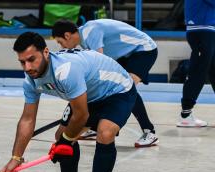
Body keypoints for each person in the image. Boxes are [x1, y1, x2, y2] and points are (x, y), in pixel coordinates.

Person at [0, 32, 137, 172]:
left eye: (31, 60)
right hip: (89, 94)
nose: (28, 67)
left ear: (46, 52)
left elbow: (81, 115)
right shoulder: (30, 80)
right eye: (22, 62)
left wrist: (65, 141)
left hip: (117, 90)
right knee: (60, 136)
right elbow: (27, 119)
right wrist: (16, 157)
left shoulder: (66, 70)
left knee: (105, 133)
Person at [52, 19, 158, 148]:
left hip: (143, 50)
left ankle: (149, 132)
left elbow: (99, 63)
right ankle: (97, 126)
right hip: (128, 54)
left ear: (67, 35)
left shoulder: (90, 32)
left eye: (60, 42)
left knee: (127, 87)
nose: (62, 47)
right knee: (116, 87)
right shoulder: (85, 38)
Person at [177, 0, 215, 127]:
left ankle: (186, 112)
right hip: (202, 30)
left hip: (206, 29)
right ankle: (186, 115)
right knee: (198, 72)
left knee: (212, 71)